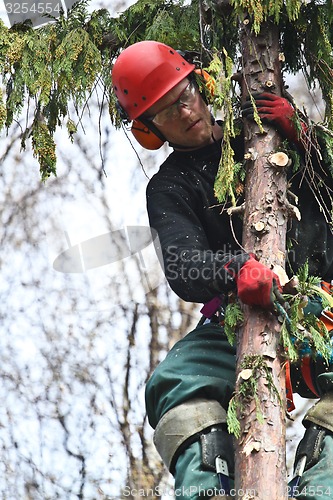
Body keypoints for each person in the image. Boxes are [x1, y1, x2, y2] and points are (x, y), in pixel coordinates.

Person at [112, 40, 333, 499]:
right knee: (175, 380)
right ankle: (209, 490)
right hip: (236, 321)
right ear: (149, 130)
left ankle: (320, 487)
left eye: (185, 96)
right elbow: (182, 265)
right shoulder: (170, 187)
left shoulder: (260, 127)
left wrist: (309, 141)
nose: (187, 113)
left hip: (323, 301)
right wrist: (237, 272)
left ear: (200, 84)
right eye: (168, 112)